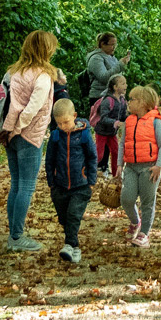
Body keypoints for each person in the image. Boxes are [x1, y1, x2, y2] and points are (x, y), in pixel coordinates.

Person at [0, 30, 60, 251]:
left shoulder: (13, 72)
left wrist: (9, 130)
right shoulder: (43, 76)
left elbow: (6, 102)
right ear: (46, 49)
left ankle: (14, 233)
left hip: (10, 134)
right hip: (28, 135)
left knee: (16, 185)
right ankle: (16, 237)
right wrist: (18, 129)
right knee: (26, 187)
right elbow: (31, 110)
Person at [45, 98, 97, 263]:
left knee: (74, 215)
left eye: (66, 122)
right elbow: (49, 160)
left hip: (80, 185)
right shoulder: (55, 136)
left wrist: (91, 180)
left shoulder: (84, 135)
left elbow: (92, 157)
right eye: (59, 123)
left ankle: (69, 245)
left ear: (74, 116)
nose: (63, 126)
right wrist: (51, 182)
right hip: (59, 186)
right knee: (64, 218)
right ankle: (74, 247)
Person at [120, 86, 161, 246]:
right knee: (126, 198)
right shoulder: (129, 121)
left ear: (142, 103)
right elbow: (122, 143)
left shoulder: (156, 122)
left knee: (147, 202)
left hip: (150, 168)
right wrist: (119, 164)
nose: (128, 102)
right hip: (131, 167)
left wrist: (159, 166)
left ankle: (144, 234)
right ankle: (136, 221)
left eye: (132, 99)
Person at [90, 75, 129, 175]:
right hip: (102, 132)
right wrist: (115, 123)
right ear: (115, 87)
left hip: (112, 133)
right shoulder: (108, 100)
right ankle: (88, 171)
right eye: (123, 83)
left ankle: (116, 174)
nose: (126, 85)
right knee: (99, 154)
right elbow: (103, 118)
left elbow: (124, 116)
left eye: (125, 83)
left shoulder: (123, 101)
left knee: (116, 152)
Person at [84, 32, 131, 103]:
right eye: (112, 45)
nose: (114, 47)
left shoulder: (111, 57)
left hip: (113, 96)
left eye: (115, 45)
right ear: (103, 44)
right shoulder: (95, 58)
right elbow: (104, 78)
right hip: (99, 97)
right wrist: (120, 64)